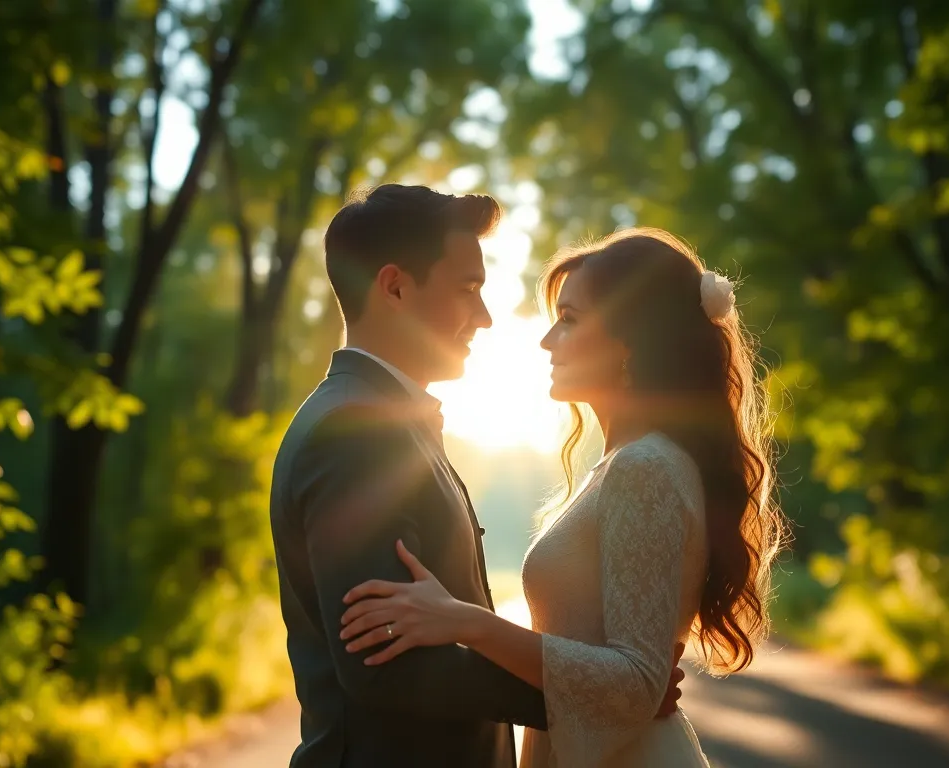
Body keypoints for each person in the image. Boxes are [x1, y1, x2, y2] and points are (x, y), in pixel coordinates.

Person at [268, 185, 685, 768]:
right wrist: (598, 694)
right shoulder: (356, 432)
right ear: (395, 287)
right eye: (468, 290)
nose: (486, 318)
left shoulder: (382, 419)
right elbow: (384, 663)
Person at [340, 227, 786, 766]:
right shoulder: (625, 465)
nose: (548, 340)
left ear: (632, 341)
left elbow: (636, 683)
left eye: (570, 320)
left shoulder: (644, 469)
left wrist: (467, 622)